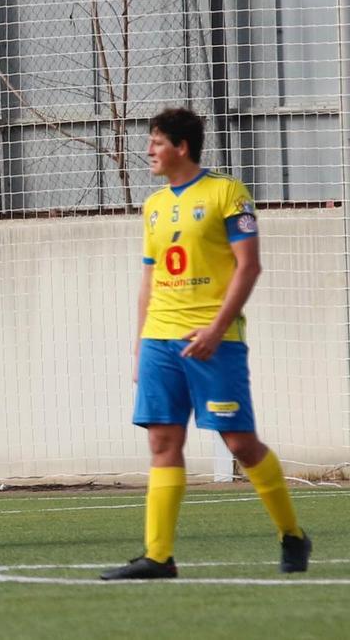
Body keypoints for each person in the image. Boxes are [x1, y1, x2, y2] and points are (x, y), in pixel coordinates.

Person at [100, 108, 310, 580]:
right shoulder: (153, 205)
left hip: (215, 340)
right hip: (160, 339)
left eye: (156, 142)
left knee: (239, 443)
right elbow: (148, 280)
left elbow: (248, 266)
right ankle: (158, 556)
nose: (148, 151)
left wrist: (216, 329)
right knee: (161, 439)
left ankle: (292, 534)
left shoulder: (227, 193)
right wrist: (139, 348)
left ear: (181, 147)